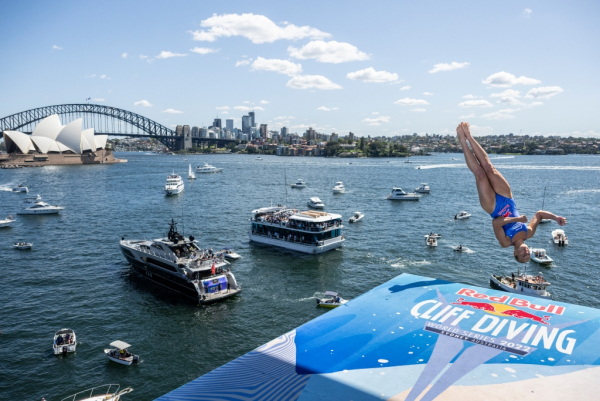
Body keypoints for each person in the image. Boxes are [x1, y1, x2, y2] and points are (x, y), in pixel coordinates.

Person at [456, 122, 567, 262]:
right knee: (489, 168)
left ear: (515, 254)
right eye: (528, 254)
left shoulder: (506, 242)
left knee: (480, 174)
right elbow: (539, 214)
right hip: (507, 199)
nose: (527, 252)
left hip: (493, 207)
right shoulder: (529, 233)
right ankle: (469, 136)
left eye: (523, 255)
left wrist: (518, 220)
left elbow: (496, 223)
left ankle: (462, 141)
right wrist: (556, 218)